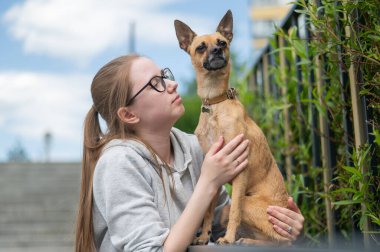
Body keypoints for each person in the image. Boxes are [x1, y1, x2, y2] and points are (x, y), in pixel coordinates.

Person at [75, 54, 305, 252]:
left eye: (165, 75)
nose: (171, 85)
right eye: (156, 83)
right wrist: (208, 182)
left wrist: (277, 223)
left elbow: (220, 228)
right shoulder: (118, 164)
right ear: (128, 115)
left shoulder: (194, 148)